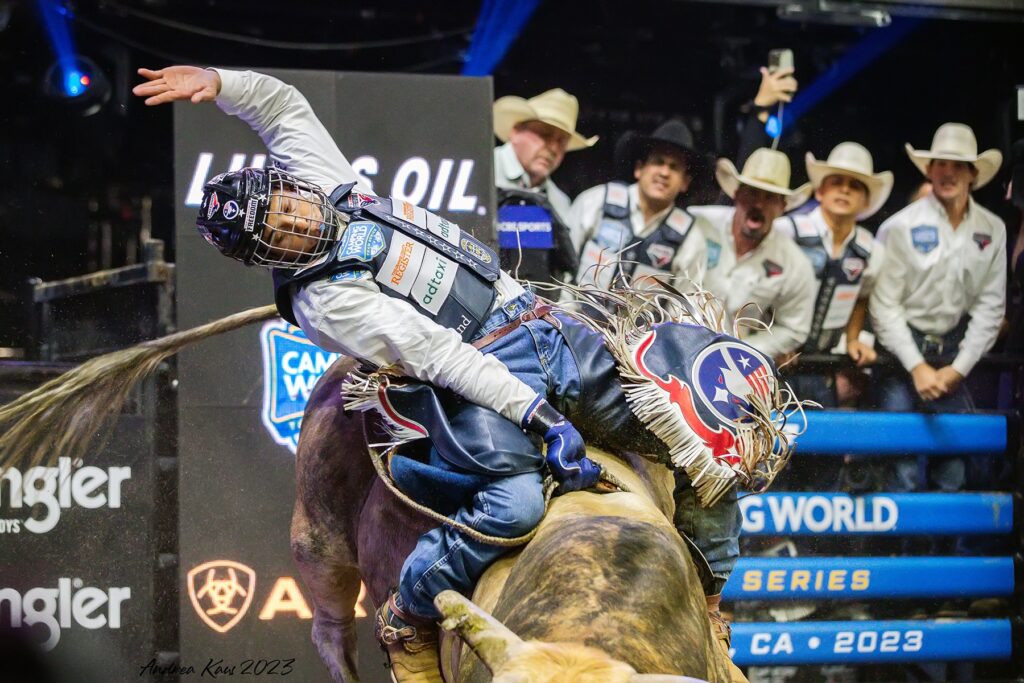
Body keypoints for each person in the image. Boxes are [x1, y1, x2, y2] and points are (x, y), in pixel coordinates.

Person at [134, 66, 790, 676]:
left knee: (702, 428)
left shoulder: (330, 182)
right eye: (276, 228)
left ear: (287, 186)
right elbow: (441, 354)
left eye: (285, 204)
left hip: (539, 324)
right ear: (267, 252)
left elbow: (283, 107)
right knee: (513, 503)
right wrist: (537, 414)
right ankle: (411, 612)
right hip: (468, 376)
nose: (295, 219)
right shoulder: (322, 299)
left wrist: (220, 82)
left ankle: (704, 599)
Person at [869, 122, 1006, 493]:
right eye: (940, 163)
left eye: (958, 164)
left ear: (973, 174)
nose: (948, 172)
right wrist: (917, 365)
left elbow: (991, 308)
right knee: (901, 467)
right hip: (900, 358)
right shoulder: (899, 227)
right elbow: (884, 305)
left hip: (952, 356)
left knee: (954, 471)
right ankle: (899, 550)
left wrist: (957, 370)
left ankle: (945, 548)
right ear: (929, 170)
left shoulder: (992, 229)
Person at [776, 142, 894, 406]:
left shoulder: (871, 250)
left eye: (854, 186)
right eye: (837, 182)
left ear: (865, 201)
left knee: (823, 442)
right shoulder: (786, 231)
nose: (844, 189)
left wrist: (852, 339)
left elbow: (862, 297)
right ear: (820, 191)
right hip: (774, 360)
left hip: (821, 365)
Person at [690, 148, 816, 363]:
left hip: (734, 363)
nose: (759, 204)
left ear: (782, 207)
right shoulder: (697, 224)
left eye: (770, 198)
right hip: (676, 344)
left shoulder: (794, 263)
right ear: (737, 194)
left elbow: (795, 327)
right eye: (752, 193)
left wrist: (747, 351)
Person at [568, 119, 708, 290]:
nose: (664, 172)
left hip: (648, 317)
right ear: (639, 169)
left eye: (674, 167)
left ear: (685, 182)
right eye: (658, 161)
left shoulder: (692, 239)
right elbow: (563, 267)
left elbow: (682, 308)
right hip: (572, 314)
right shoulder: (594, 202)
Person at [493, 89, 595, 283]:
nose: (553, 148)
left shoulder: (559, 202)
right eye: (545, 134)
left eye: (562, 142)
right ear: (515, 131)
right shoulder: (479, 170)